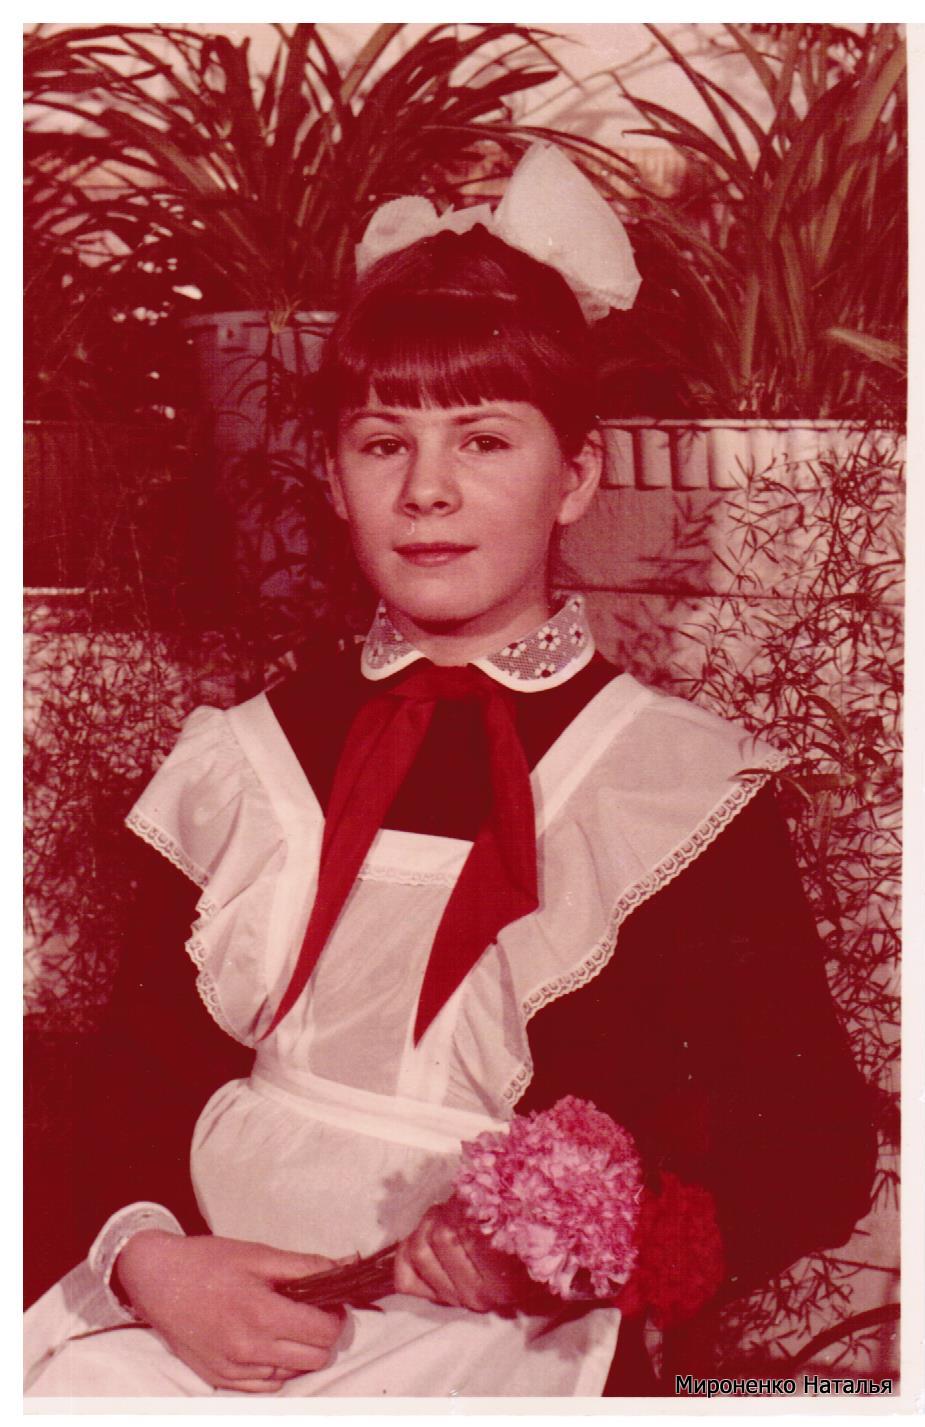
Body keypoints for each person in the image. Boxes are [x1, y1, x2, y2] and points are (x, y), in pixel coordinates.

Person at [24, 145, 876, 1398]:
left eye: (482, 439)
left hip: (498, 1349)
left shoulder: (675, 785)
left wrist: (577, 1246)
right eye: (383, 443)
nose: (427, 490)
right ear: (332, 476)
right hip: (205, 1319)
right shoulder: (247, 755)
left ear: (575, 474)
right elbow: (131, 1083)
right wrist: (154, 1263)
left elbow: (806, 1149)